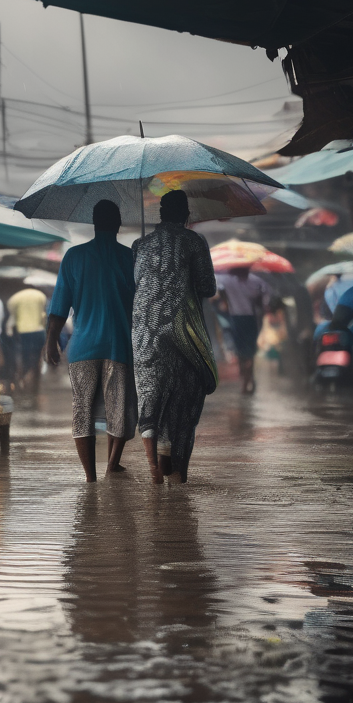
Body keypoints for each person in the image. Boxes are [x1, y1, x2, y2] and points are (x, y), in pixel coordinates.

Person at [45, 200, 136, 482]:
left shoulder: (74, 256)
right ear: (118, 224)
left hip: (82, 346)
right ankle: (111, 466)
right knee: (119, 409)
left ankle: (90, 478)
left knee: (82, 410)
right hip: (120, 345)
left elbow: (59, 306)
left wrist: (50, 341)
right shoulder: (131, 257)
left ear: (94, 224)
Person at [133, 189, 217, 485]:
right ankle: (179, 477)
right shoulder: (194, 241)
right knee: (185, 405)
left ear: (160, 214)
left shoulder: (139, 244)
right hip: (184, 332)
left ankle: (154, 470)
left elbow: (136, 284)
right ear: (186, 215)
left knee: (150, 399)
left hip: (145, 334)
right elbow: (207, 287)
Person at [216, 265, 271, 393]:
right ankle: (250, 377)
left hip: (236, 318)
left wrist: (225, 300)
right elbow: (266, 295)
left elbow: (219, 288)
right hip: (252, 318)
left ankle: (246, 380)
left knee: (240, 349)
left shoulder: (227, 280)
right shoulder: (255, 280)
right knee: (250, 350)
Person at [6, 282, 47, 390]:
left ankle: (25, 375)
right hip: (39, 330)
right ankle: (35, 375)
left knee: (26, 354)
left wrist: (9, 330)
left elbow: (12, 316)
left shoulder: (15, 298)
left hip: (24, 331)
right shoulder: (41, 295)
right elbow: (44, 313)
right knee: (37, 354)